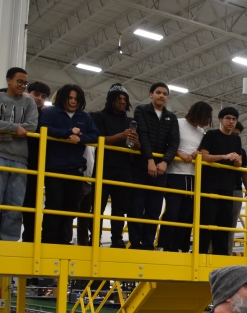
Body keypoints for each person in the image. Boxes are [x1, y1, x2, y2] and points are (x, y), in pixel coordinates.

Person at [0, 67, 38, 241]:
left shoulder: (29, 103)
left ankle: (9, 241)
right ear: (9, 80)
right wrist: (14, 128)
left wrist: (2, 131)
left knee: (15, 204)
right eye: (20, 81)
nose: (22, 85)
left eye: (25, 83)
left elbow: (32, 126)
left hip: (20, 159)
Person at [38, 84, 99, 244]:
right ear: (63, 98)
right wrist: (68, 133)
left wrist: (81, 138)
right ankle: (48, 241)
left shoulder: (85, 117)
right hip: (54, 168)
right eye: (70, 98)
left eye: (76, 99)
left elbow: (95, 135)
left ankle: (64, 241)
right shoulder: (51, 112)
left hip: (76, 169)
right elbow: (43, 128)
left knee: (70, 208)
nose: (73, 101)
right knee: (53, 205)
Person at [129, 82, 179, 250]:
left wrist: (164, 162)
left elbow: (174, 142)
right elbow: (142, 135)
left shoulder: (171, 117)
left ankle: (148, 243)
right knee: (136, 205)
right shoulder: (141, 110)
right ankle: (135, 242)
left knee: (154, 208)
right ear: (151, 94)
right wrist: (149, 160)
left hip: (161, 170)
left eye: (165, 94)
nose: (161, 96)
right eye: (158, 92)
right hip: (140, 166)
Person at [91, 83, 139, 248]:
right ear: (111, 100)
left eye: (125, 99)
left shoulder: (131, 121)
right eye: (119, 99)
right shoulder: (99, 116)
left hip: (125, 168)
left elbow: (136, 147)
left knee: (120, 208)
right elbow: (97, 139)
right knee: (99, 205)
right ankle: (94, 238)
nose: (122, 102)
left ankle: (117, 239)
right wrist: (120, 136)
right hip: (104, 166)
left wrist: (135, 141)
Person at [159, 100, 211, 252]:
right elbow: (167, 143)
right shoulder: (178, 123)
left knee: (186, 215)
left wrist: (198, 153)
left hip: (193, 175)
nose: (208, 121)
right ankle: (163, 244)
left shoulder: (201, 132)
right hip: (175, 173)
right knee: (172, 211)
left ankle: (178, 247)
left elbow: (201, 149)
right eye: (206, 117)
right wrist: (180, 153)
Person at [196, 107, 242, 255]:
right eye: (228, 118)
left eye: (234, 119)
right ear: (221, 120)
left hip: (228, 187)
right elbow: (203, 156)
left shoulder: (236, 139)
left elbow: (239, 164)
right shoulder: (211, 135)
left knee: (224, 224)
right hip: (209, 185)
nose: (231, 121)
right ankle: (201, 254)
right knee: (207, 222)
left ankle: (221, 256)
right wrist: (224, 156)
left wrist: (236, 160)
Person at [21, 81, 51, 242]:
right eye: (36, 94)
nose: (39, 98)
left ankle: (30, 237)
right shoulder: (20, 108)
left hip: (36, 164)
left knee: (32, 202)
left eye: (43, 96)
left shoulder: (46, 115)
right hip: (18, 160)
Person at [227, 121, 247, 254]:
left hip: (236, 189)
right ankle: (210, 252)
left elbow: (244, 171)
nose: (235, 136)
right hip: (218, 188)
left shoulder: (241, 151)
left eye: (237, 134)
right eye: (233, 133)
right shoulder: (219, 146)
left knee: (232, 224)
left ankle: (227, 252)